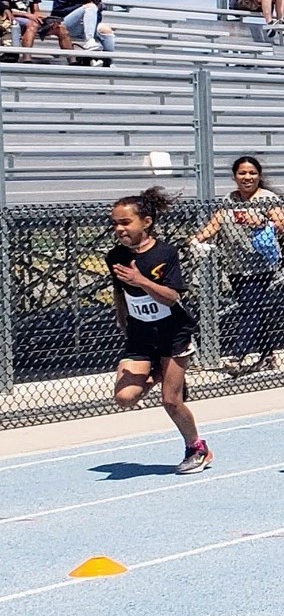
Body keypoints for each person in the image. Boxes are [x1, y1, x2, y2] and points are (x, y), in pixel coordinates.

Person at [107, 187, 212, 474]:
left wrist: (141, 280)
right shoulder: (114, 256)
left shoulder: (165, 253)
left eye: (125, 222)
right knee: (125, 398)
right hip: (141, 336)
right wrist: (122, 319)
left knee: (171, 401)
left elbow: (171, 297)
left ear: (146, 222)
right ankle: (159, 372)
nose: (119, 229)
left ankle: (196, 449)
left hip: (173, 335)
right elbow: (120, 291)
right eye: (115, 223)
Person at [190, 156, 284, 375]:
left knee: (249, 308)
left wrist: (264, 223)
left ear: (259, 176)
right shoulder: (230, 200)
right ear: (235, 176)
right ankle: (267, 355)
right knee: (254, 309)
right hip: (235, 265)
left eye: (252, 173)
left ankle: (238, 355)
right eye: (242, 173)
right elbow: (215, 223)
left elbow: (282, 225)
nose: (247, 177)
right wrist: (198, 239)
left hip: (261, 265)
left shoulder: (266, 198)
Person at [51, 0, 116, 65]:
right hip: (65, 24)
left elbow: (97, 16)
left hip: (85, 27)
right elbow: (57, 11)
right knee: (90, 7)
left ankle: (108, 61)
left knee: (106, 30)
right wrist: (82, 7)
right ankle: (89, 41)